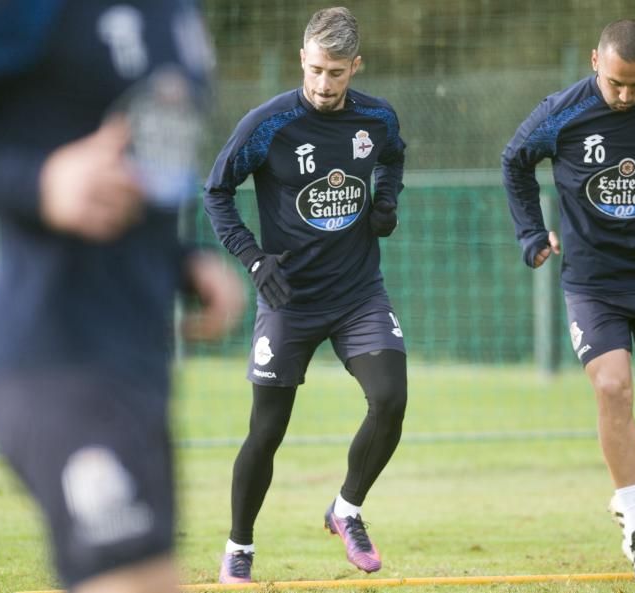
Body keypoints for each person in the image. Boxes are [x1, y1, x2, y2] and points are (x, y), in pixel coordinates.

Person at [0, 1, 246, 592]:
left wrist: (184, 260)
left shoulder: (176, 12)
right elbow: (55, 174)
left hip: (136, 369)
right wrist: (37, 184)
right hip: (55, 358)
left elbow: (138, 164)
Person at [203, 7, 407, 583]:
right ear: (302, 59)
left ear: (355, 67)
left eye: (337, 72)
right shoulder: (266, 125)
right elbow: (217, 192)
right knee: (267, 431)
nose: (324, 84)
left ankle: (346, 509)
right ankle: (240, 546)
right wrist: (253, 258)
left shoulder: (376, 117)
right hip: (288, 300)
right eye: (316, 69)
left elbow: (394, 156)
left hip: (359, 293)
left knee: (390, 399)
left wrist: (386, 200)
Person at [502, 19, 635, 582]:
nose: (624, 96)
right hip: (593, 283)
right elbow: (514, 163)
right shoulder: (561, 112)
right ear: (596, 61)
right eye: (616, 83)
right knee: (613, 387)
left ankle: (633, 492)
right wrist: (530, 232)